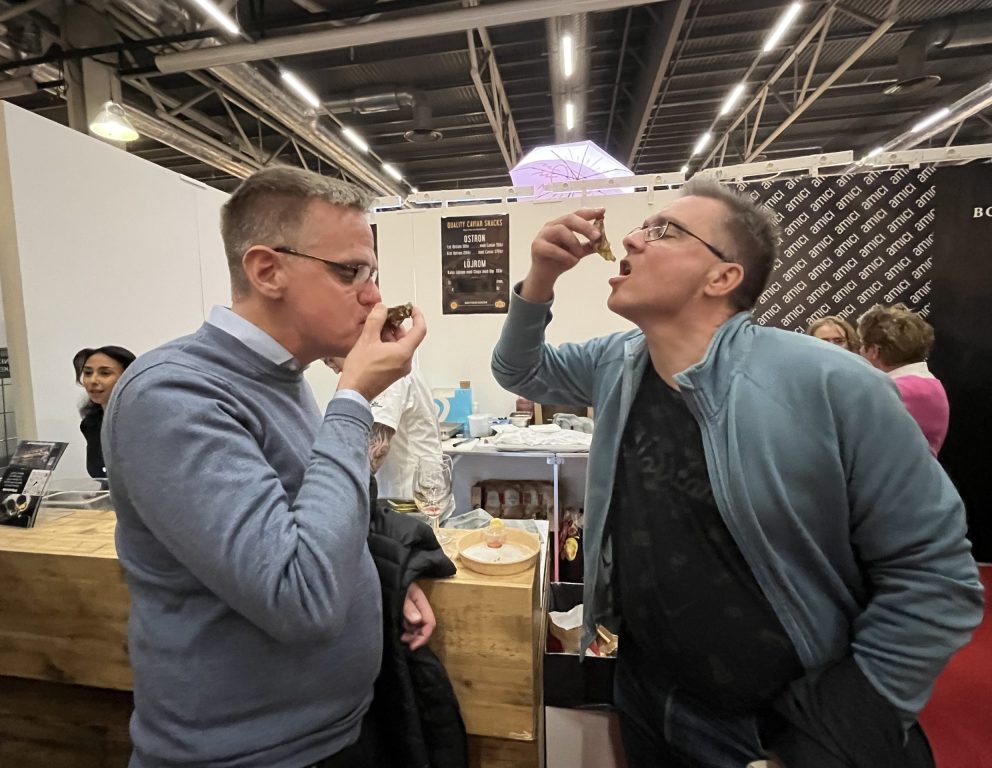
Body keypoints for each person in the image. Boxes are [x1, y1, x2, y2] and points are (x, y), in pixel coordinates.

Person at [491, 180, 983, 768]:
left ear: (722, 277)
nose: (632, 239)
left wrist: (838, 726)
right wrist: (541, 277)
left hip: (773, 722)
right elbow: (519, 370)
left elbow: (935, 573)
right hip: (646, 689)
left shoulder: (833, 383)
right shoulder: (617, 361)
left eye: (664, 231)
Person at [103, 166, 437, 768]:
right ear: (267, 270)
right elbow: (298, 595)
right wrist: (353, 399)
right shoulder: (173, 393)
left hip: (335, 731)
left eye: (372, 275)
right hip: (247, 754)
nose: (373, 298)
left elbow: (314, 515)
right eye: (350, 272)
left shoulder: (284, 378)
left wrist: (385, 576)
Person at [322, 355, 455, 522]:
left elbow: (377, 449)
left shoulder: (387, 370)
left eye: (330, 358)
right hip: (409, 500)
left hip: (411, 505)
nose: (333, 368)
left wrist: (336, 499)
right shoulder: (384, 368)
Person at [858, 303, 950, 456]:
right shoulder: (927, 384)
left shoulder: (893, 392)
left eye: (862, 344)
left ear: (874, 350)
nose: (859, 351)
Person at [71, 345, 135, 479]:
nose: (92, 380)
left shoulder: (144, 422)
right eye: (88, 373)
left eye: (105, 373)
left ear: (128, 377)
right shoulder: (91, 424)